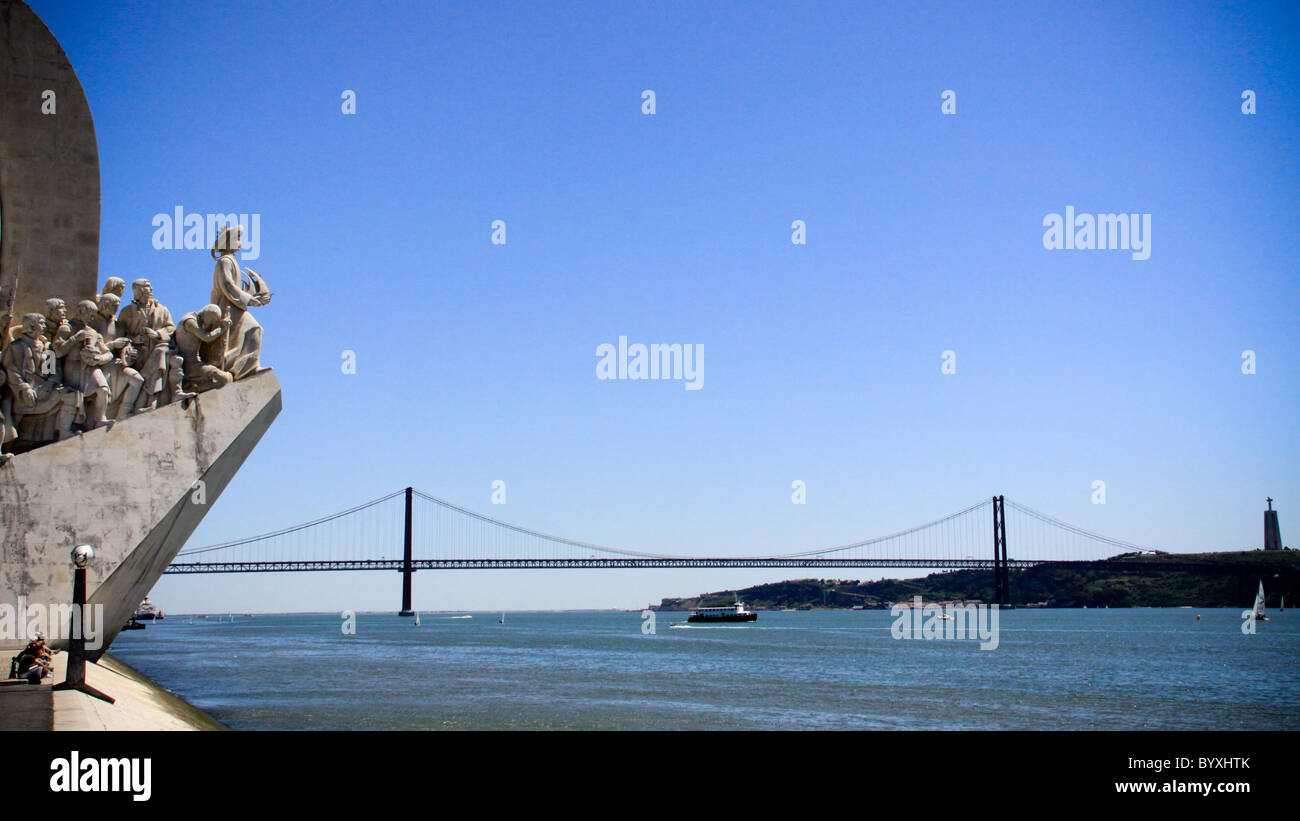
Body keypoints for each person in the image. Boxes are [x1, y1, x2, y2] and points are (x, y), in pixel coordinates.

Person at [116, 279, 189, 410]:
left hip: (157, 350)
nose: (151, 289)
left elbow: (170, 328)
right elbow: (119, 334)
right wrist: (134, 339)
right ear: (139, 290)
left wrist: (157, 334)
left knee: (162, 357)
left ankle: (153, 403)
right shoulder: (126, 312)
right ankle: (148, 404)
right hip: (138, 355)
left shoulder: (162, 309)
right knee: (159, 360)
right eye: (148, 287)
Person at [210, 225, 270, 380]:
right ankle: (243, 369)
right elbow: (228, 285)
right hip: (228, 307)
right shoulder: (225, 261)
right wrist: (249, 299)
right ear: (228, 242)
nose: (240, 243)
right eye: (237, 239)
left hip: (235, 306)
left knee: (248, 333)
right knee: (254, 328)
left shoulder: (230, 260)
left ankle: (244, 368)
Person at [174, 304, 233, 392]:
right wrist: (222, 329)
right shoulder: (190, 321)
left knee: (228, 378)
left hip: (196, 363)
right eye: (213, 320)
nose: (212, 323)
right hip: (189, 366)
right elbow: (206, 337)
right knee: (224, 379)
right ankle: (192, 389)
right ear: (207, 314)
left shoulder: (198, 321)